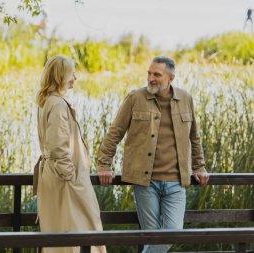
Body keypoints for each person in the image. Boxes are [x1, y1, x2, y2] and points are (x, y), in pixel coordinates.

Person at [97, 56, 209, 253]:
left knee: (172, 233)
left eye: (157, 74)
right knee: (151, 235)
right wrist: (104, 165)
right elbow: (115, 133)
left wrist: (199, 167)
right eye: (149, 73)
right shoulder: (135, 98)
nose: (151, 78)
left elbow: (195, 137)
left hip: (176, 182)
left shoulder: (185, 99)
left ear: (171, 78)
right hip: (145, 182)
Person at [34, 55, 107, 253]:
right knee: (81, 227)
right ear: (61, 76)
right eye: (71, 73)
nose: (75, 77)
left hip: (56, 175)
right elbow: (58, 145)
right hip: (65, 179)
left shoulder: (48, 101)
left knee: (61, 229)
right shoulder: (57, 104)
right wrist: (70, 176)